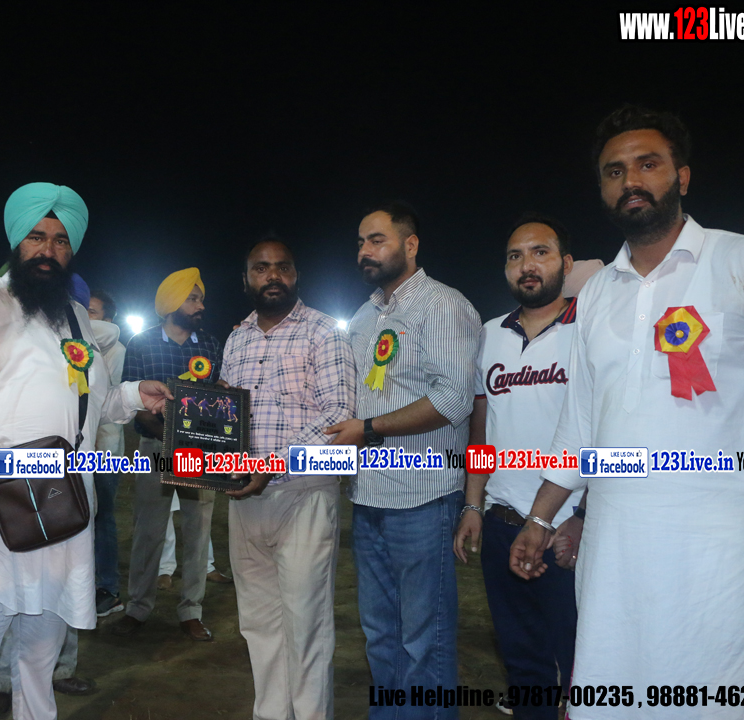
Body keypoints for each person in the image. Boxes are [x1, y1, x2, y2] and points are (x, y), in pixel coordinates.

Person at [510, 105, 744, 719]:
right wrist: (540, 517)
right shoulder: (597, 294)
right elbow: (579, 426)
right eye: (614, 171)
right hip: (615, 556)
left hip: (716, 554)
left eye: (648, 164)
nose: (630, 180)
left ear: (682, 176)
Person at [0, 182, 172, 720]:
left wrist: (136, 395)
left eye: (61, 241)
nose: (48, 250)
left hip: (63, 508)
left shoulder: (75, 315)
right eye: (37, 237)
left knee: (40, 658)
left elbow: (92, 403)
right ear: (17, 240)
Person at [327, 201, 480, 719]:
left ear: (410, 244)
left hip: (423, 499)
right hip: (368, 498)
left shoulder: (443, 306)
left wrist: (369, 430)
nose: (365, 251)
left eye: (377, 240)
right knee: (380, 635)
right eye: (360, 242)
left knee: (424, 640)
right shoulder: (364, 316)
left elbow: (454, 399)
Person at [453, 214, 583, 718]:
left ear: (565, 263)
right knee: (524, 666)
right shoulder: (490, 335)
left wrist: (585, 515)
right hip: (504, 524)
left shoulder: (591, 329)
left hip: (569, 530)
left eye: (540, 252)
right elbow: (481, 430)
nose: (527, 265)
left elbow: (614, 432)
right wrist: (474, 506)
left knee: (584, 667)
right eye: (515, 256)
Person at [220, 237, 355, 720]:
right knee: (259, 626)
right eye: (261, 268)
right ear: (246, 279)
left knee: (306, 626)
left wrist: (271, 465)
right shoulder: (236, 338)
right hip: (245, 499)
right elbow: (229, 417)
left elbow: (339, 417)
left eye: (282, 267)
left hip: (303, 495)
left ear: (296, 276)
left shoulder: (323, 331)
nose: (272, 276)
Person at [114, 268, 221, 641]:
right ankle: (138, 608)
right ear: (171, 302)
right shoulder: (141, 344)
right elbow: (134, 403)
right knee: (148, 530)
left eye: (200, 298)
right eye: (192, 298)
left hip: (200, 454)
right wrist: (171, 437)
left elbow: (217, 401)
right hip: (155, 449)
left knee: (198, 531)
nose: (200, 305)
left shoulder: (210, 345)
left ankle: (191, 610)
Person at [86, 289, 129, 617]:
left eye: (92, 312)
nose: (85, 318)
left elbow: (105, 398)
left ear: (108, 321)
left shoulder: (115, 349)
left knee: (102, 518)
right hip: (79, 447)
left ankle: (109, 589)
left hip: (104, 449)